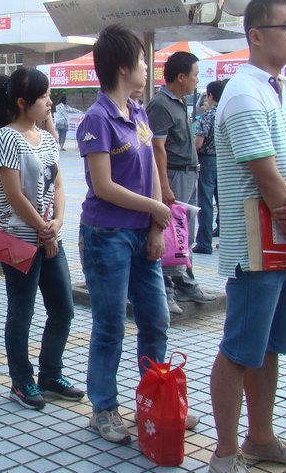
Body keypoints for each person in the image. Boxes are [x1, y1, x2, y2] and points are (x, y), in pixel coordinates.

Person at [208, 0, 286, 473]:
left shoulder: (282, 93)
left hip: (285, 239)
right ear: (256, 34)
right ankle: (225, 451)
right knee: (239, 349)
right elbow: (265, 174)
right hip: (256, 248)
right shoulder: (243, 93)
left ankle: (261, 438)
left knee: (268, 346)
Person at [77, 25, 199, 444]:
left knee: (156, 318)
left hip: (141, 233)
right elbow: (104, 186)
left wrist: (155, 225)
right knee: (110, 325)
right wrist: (156, 209)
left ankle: (155, 398)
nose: (148, 67)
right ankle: (103, 409)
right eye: (143, 60)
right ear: (124, 66)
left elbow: (148, 173)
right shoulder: (97, 118)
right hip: (105, 235)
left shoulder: (139, 112)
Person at [0, 67, 84, 410]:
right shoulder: (6, 137)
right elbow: (13, 195)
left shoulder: (47, 138)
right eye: (44, 96)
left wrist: (57, 222)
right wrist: (43, 229)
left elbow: (57, 185)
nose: (49, 102)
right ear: (22, 101)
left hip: (49, 239)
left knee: (63, 308)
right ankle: (21, 380)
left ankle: (50, 374)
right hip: (18, 238)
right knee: (22, 312)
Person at [146, 52, 216, 314]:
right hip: (173, 175)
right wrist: (164, 186)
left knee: (184, 234)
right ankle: (165, 290)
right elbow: (157, 148)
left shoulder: (178, 102)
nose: (197, 81)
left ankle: (185, 282)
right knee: (169, 234)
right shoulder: (160, 105)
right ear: (181, 77)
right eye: (195, 75)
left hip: (189, 174)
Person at [193, 80, 224, 254]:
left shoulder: (208, 115)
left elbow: (198, 143)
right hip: (226, 162)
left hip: (208, 161)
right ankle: (226, 239)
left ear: (211, 96)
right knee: (224, 203)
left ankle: (204, 242)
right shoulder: (228, 113)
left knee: (205, 202)